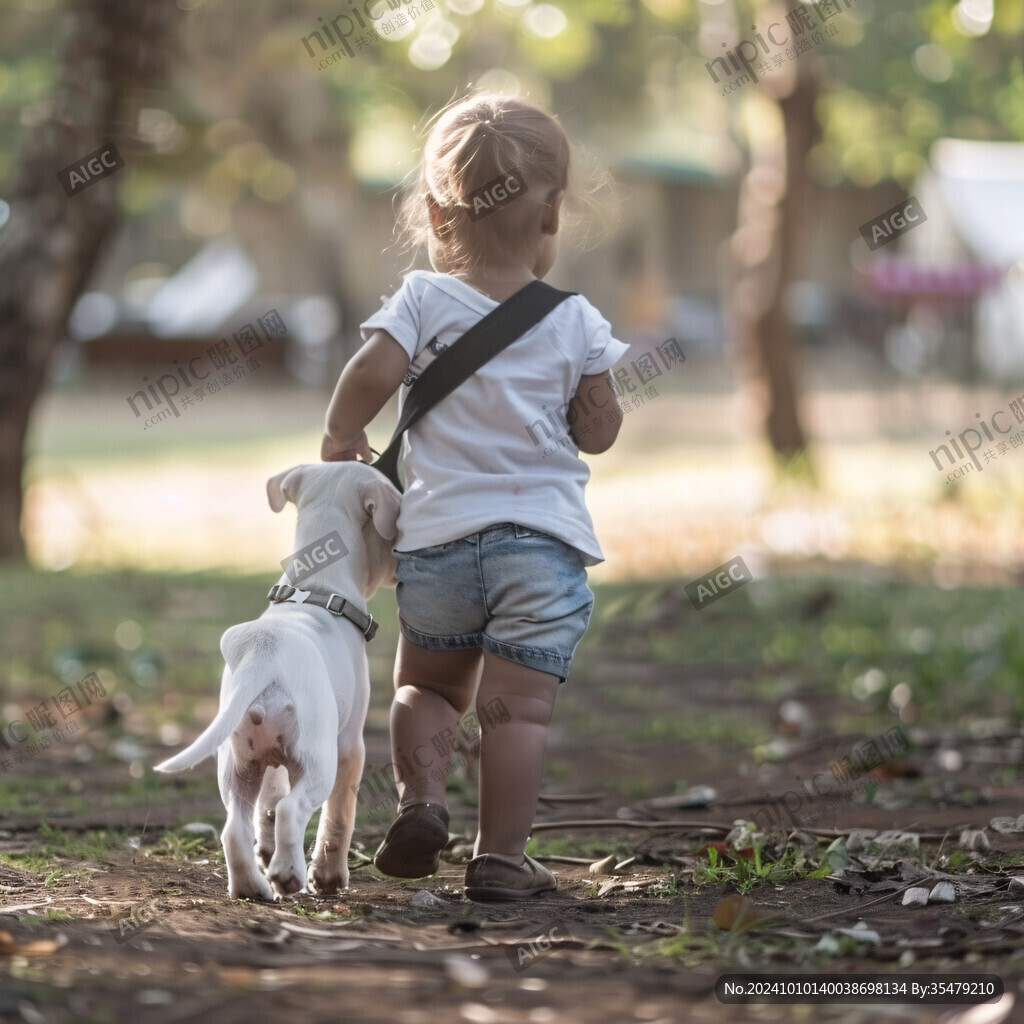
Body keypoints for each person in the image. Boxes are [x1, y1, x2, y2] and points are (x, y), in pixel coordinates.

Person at [321, 92, 627, 900]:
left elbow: (372, 375)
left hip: (441, 543)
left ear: (433, 210)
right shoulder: (577, 320)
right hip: (541, 547)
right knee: (516, 714)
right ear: (554, 210)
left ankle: (422, 802)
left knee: (425, 689)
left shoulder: (422, 301)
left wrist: (341, 435)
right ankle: (498, 859)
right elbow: (598, 432)